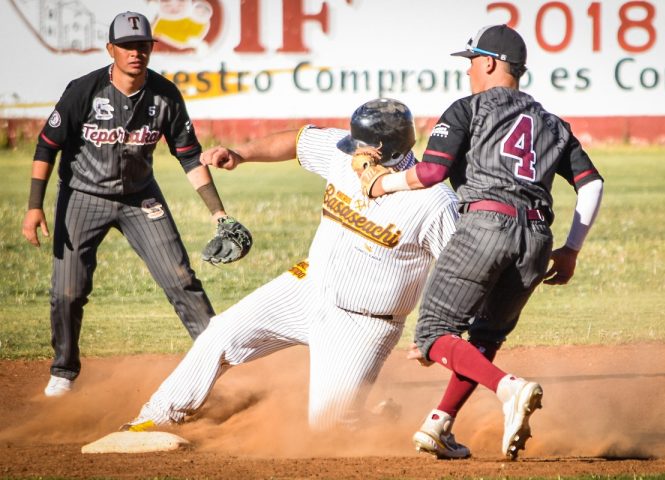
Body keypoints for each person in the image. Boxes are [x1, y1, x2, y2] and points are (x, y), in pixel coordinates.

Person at [119, 98, 460, 432]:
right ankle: (156, 417)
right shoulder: (344, 154)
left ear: (382, 151)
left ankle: (377, 420)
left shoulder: (433, 202)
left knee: (328, 430)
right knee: (220, 333)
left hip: (363, 323)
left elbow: (459, 272)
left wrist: (440, 329)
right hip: (306, 286)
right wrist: (241, 155)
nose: (349, 150)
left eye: (359, 146)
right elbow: (298, 141)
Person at [364, 25, 604, 459]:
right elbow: (592, 185)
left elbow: (432, 173)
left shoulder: (466, 109)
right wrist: (571, 249)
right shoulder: (554, 123)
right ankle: (439, 425)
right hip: (537, 239)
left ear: (490, 62)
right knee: (484, 337)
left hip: (485, 226)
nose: (469, 70)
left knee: (434, 333)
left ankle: (508, 388)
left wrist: (383, 185)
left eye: (472, 60)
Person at [21, 11, 241, 397]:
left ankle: (216, 362)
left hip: (141, 198)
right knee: (67, 292)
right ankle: (64, 370)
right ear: (111, 49)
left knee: (181, 281)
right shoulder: (84, 90)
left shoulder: (164, 96)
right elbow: (47, 145)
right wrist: (34, 205)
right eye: (126, 46)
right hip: (83, 196)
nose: (135, 53)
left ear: (151, 50)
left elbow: (190, 156)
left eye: (142, 46)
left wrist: (218, 213)